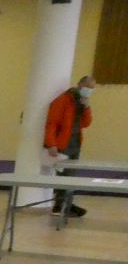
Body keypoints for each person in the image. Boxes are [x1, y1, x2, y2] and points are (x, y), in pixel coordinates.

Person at [44, 75, 97, 217]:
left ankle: (67, 203)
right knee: (63, 175)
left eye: (92, 88)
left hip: (76, 143)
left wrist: (86, 107)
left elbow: (86, 123)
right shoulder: (63, 100)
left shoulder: (82, 102)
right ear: (79, 85)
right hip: (63, 143)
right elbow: (51, 123)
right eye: (87, 87)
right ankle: (59, 205)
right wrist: (51, 143)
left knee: (71, 175)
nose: (89, 90)